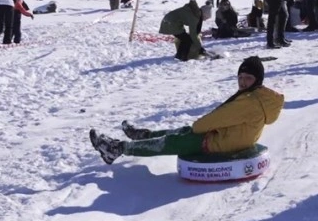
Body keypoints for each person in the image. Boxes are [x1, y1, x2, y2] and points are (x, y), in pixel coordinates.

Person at [88, 56, 284, 165]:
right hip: (227, 138)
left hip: (219, 144)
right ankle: (143, 135)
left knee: (173, 141)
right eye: (240, 77)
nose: (242, 82)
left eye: (247, 78)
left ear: (257, 80)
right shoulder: (258, 96)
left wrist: (199, 128)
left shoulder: (249, 102)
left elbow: (209, 122)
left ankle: (117, 149)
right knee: (182, 131)